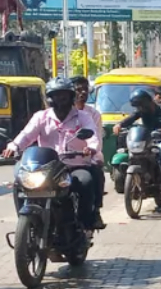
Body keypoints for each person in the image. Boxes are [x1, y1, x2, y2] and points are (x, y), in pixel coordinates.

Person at [2, 77, 102, 230]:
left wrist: (91, 147)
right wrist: (14, 146)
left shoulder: (83, 117)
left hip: (74, 166)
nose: (60, 100)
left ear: (70, 97)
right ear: (49, 98)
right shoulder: (41, 117)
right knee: (19, 183)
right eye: (56, 96)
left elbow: (93, 136)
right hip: (46, 167)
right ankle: (26, 221)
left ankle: (84, 225)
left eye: (64, 96)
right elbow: (27, 135)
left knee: (86, 181)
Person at [112, 89, 161, 192]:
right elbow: (131, 118)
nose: (140, 109)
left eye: (142, 106)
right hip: (146, 139)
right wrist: (120, 125)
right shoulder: (141, 111)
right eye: (138, 107)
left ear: (149, 102)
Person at [70, 76, 106, 229]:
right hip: (60, 159)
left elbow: (96, 138)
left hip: (86, 158)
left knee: (95, 173)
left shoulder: (93, 114)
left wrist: (91, 151)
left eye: (85, 89)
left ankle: (94, 211)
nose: (83, 93)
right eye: (79, 89)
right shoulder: (48, 114)